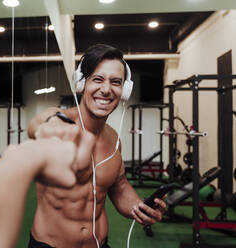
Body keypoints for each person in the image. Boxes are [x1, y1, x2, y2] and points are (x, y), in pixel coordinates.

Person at [27, 44, 166, 248]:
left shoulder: (114, 139)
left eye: (116, 82)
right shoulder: (60, 121)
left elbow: (119, 187)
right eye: (98, 79)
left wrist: (140, 208)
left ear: (124, 91)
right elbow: (37, 125)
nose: (106, 89)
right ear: (82, 83)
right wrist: (53, 125)